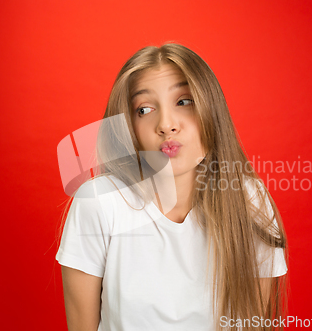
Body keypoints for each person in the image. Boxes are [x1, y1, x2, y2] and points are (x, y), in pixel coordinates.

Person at [55, 43, 288, 331]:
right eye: (144, 109)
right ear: (128, 127)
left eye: (184, 101)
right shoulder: (99, 202)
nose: (166, 125)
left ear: (211, 111)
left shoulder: (249, 200)